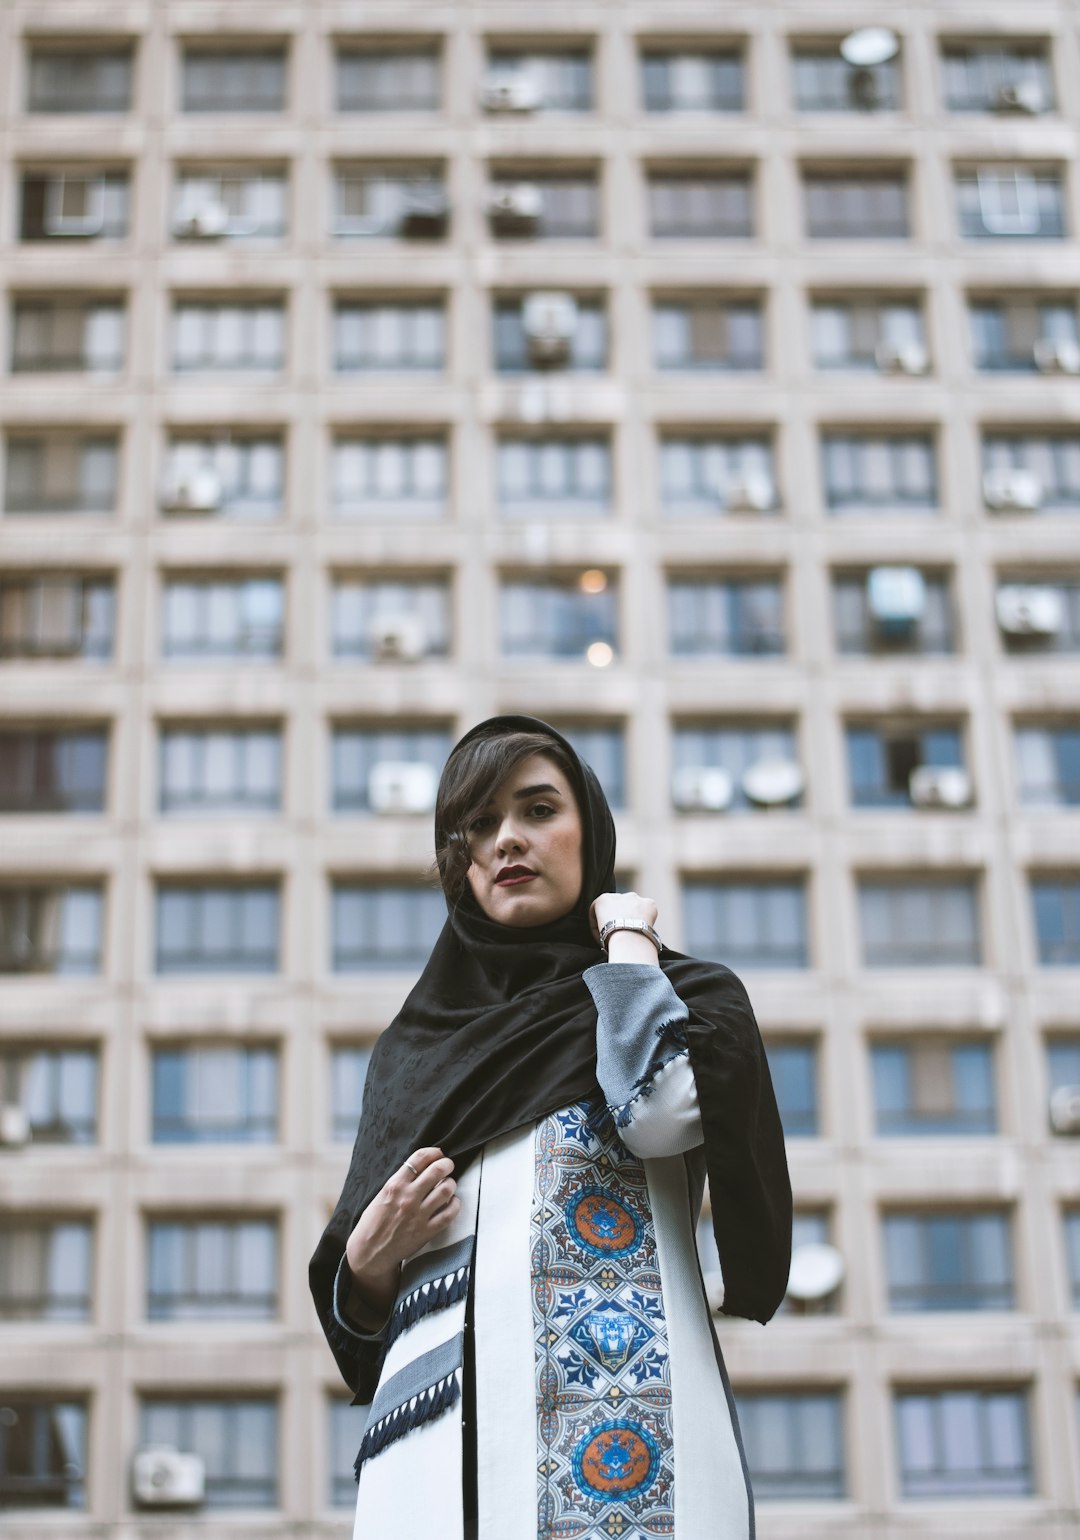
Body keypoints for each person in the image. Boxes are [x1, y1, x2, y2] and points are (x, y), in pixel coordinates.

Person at [309, 715, 792, 1540]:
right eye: (478, 824)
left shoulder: (687, 999)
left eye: (537, 811)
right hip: (429, 1461)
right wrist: (365, 1259)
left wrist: (630, 946)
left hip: (628, 1435)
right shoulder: (415, 1048)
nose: (507, 841)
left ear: (589, 830)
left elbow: (659, 1114)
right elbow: (356, 1315)